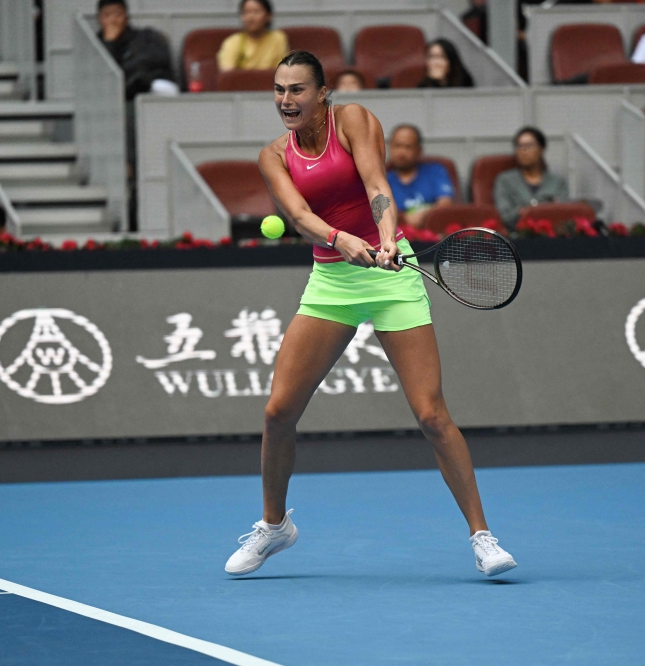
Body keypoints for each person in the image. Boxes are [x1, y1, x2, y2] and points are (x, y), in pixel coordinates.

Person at [225, 51, 516, 578]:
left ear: (322, 93)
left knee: (431, 414)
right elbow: (298, 215)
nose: (285, 100)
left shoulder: (353, 120)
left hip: (392, 278)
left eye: (296, 90)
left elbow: (377, 183)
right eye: (279, 90)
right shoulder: (273, 155)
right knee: (277, 412)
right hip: (332, 282)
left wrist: (384, 241)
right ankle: (274, 526)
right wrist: (342, 241)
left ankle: (483, 537)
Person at [96, 0, 175, 101]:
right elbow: (102, 74)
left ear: (126, 17)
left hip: (150, 88)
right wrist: (110, 43)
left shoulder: (147, 36)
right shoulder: (94, 45)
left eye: (118, 14)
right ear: (99, 19)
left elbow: (160, 60)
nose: (113, 20)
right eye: (107, 15)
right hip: (116, 96)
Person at [494, 127, 568, 228]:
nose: (524, 151)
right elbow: (505, 216)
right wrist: (542, 208)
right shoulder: (505, 180)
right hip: (517, 236)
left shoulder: (558, 181)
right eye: (520, 146)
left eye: (529, 146)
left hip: (552, 236)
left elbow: (562, 214)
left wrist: (523, 210)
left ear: (541, 149)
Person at [386, 124, 454, 228]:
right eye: (397, 146)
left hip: (433, 235)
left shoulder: (435, 171)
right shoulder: (382, 178)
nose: (401, 152)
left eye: (408, 147)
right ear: (390, 147)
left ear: (419, 150)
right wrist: (404, 219)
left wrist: (424, 214)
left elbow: (446, 204)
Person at [218, 0, 288, 73]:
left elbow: (282, 72)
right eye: (246, 12)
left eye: (257, 12)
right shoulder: (233, 42)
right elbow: (227, 75)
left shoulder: (277, 38)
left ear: (269, 16)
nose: (251, 18)